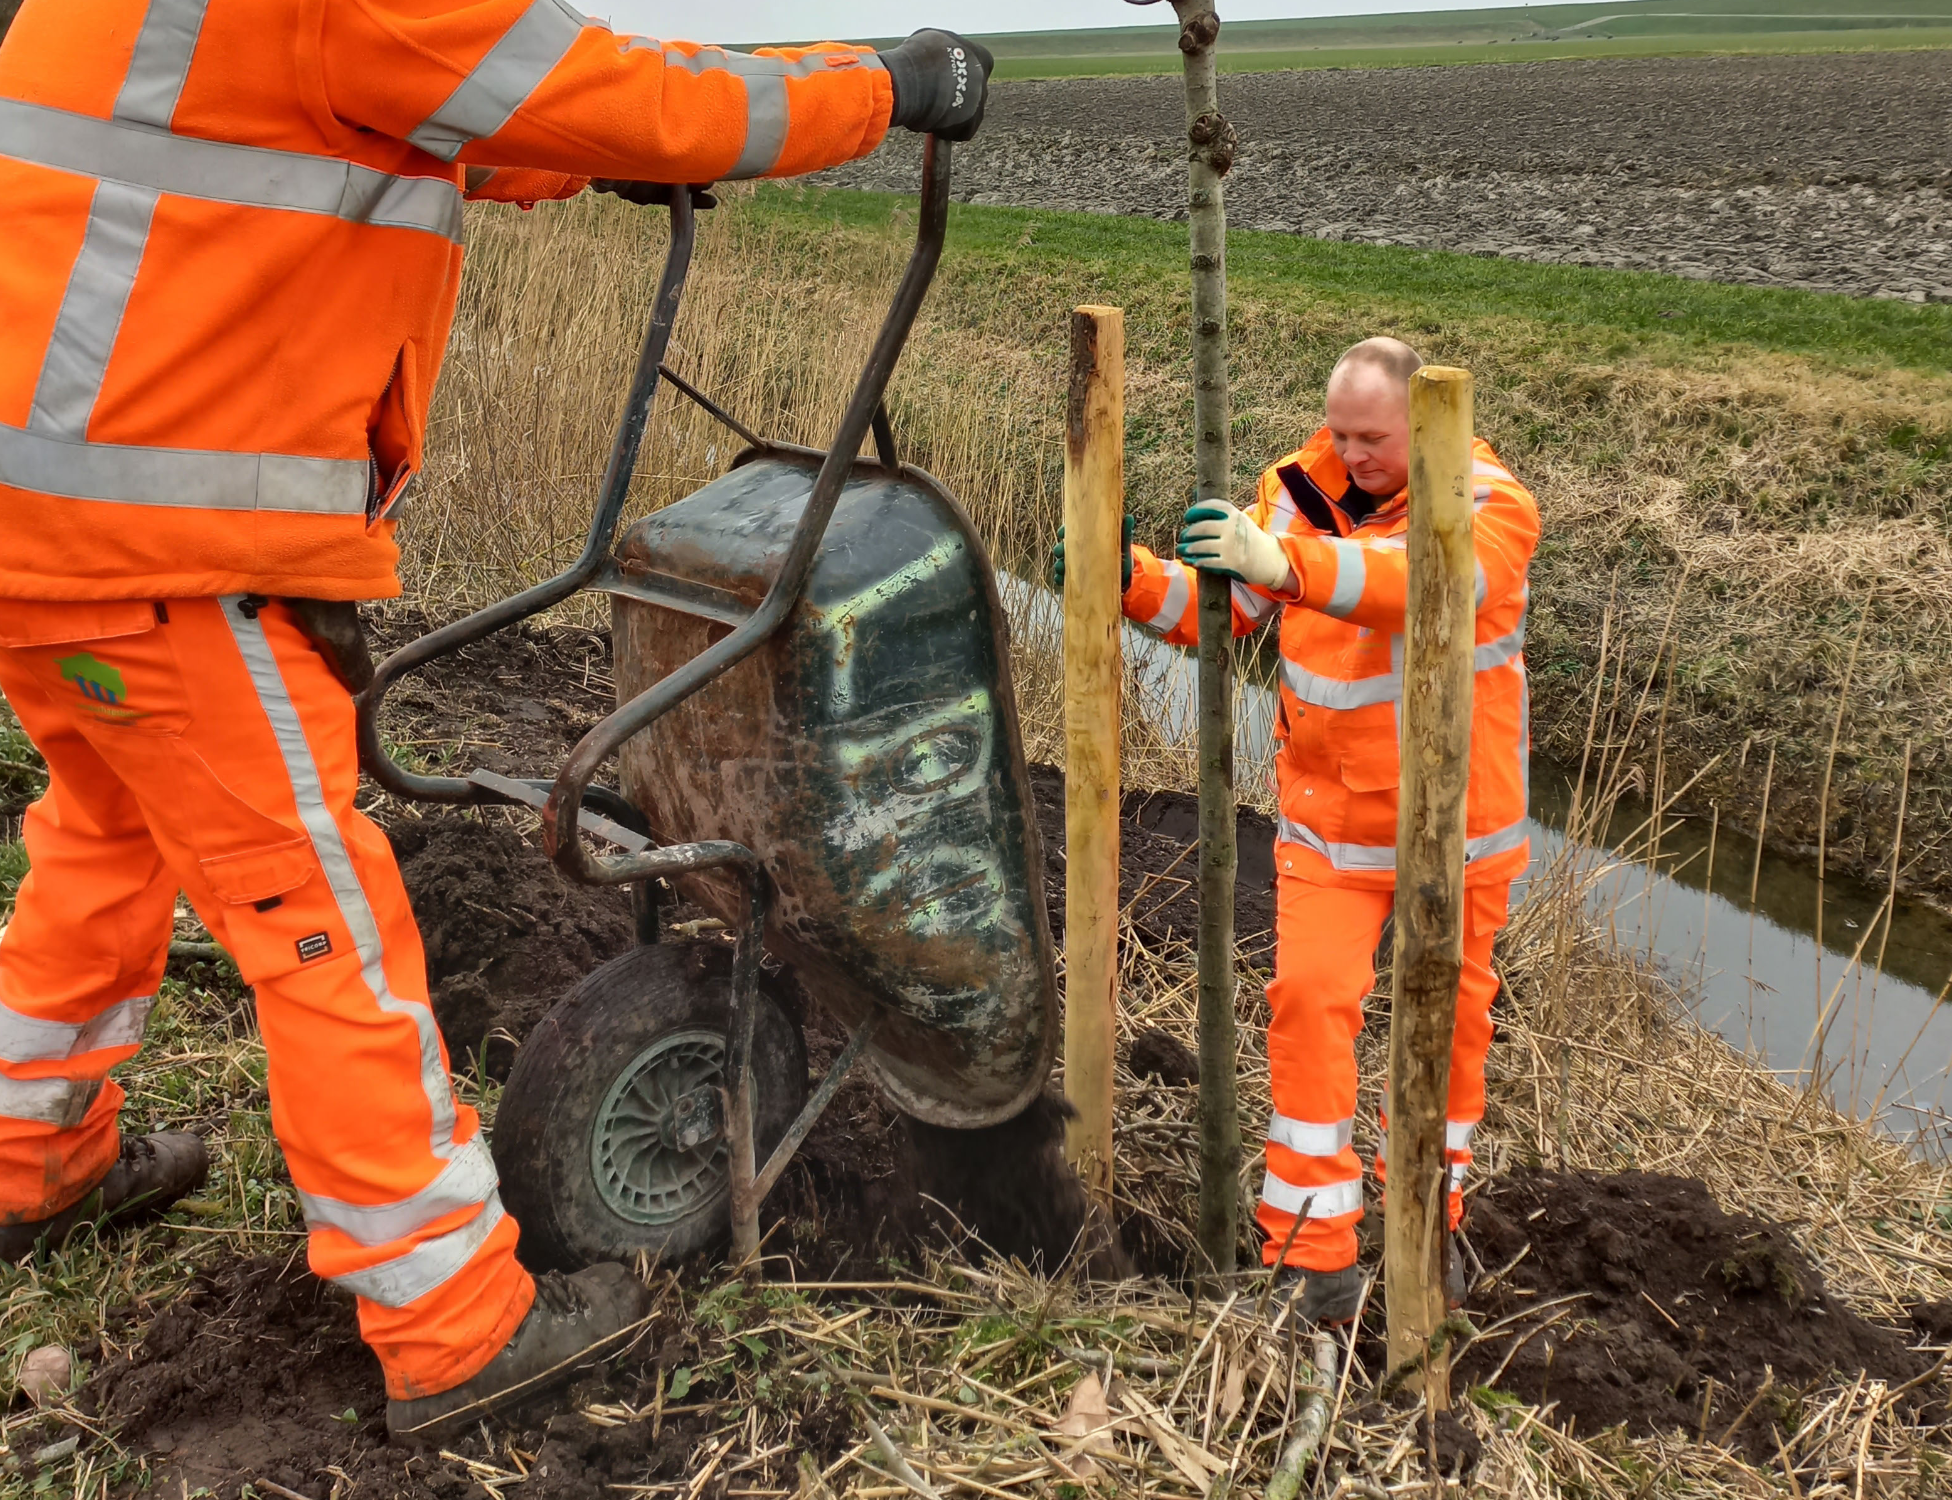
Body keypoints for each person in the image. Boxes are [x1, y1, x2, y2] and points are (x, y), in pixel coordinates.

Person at [0, 0, 991, 1441]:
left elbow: (426, 110)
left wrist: (580, 160)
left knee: (108, 834)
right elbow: (645, 98)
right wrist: (891, 87)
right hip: (168, 555)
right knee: (320, 914)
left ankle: (31, 1162)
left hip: (49, 543)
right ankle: (452, 1322)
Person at [1057, 338, 1538, 1321]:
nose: (1354, 452)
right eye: (1343, 432)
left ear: (1425, 424)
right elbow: (1226, 609)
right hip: (1329, 829)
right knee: (1310, 1005)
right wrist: (1130, 578)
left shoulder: (1495, 503)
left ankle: (1427, 1227)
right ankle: (1314, 1261)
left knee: (1446, 1037)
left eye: (1375, 436)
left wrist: (1284, 559)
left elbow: (1428, 580)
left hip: (1458, 833)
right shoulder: (1298, 490)